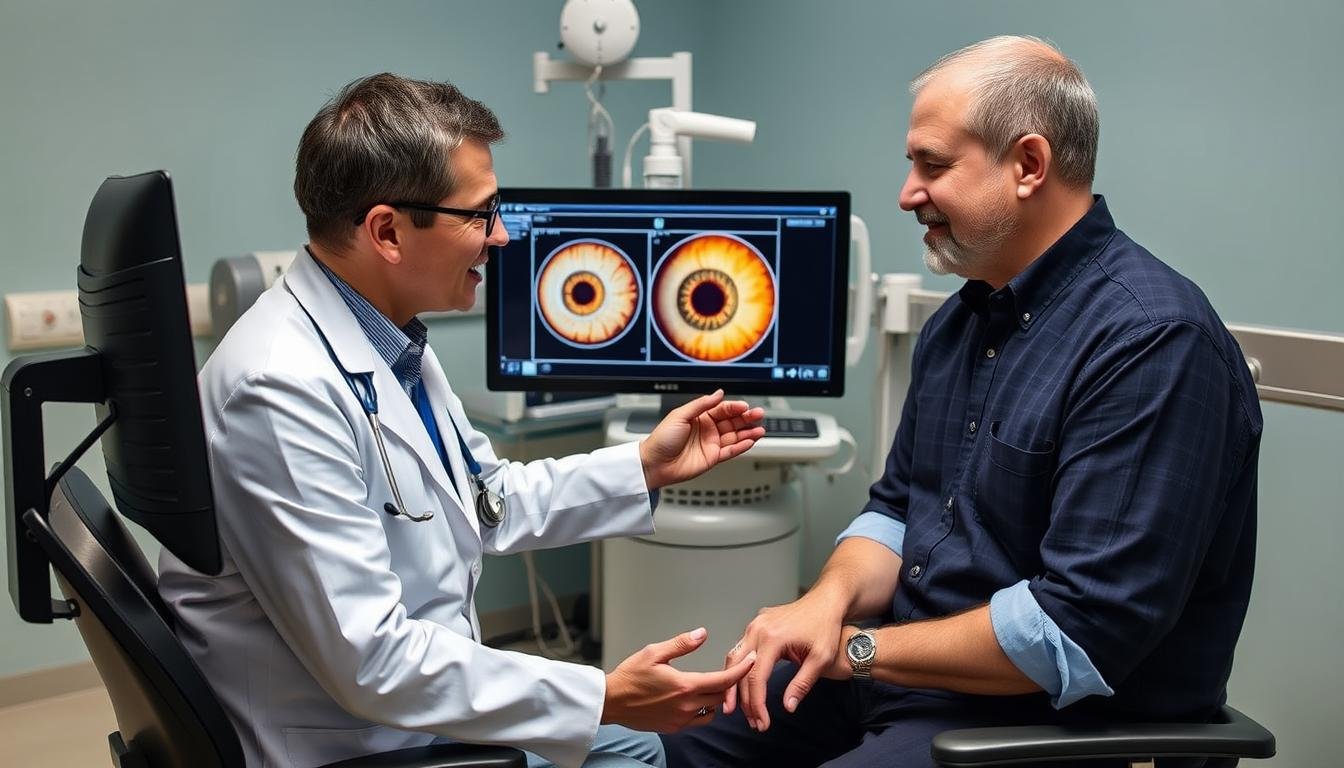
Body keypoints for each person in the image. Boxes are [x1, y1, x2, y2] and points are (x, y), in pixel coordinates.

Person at [662, 35, 1262, 768]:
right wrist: (824, 601)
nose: (907, 192)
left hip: (1046, 726)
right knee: (671, 746)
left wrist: (856, 647)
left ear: (1029, 166)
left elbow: (1076, 631)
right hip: (905, 683)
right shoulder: (960, 323)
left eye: (932, 164)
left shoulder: (1151, 341)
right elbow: (894, 510)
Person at [157, 73, 765, 768]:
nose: (501, 235)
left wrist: (643, 465)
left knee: (633, 750)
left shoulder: (389, 339)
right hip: (350, 744)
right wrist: (599, 692)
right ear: (387, 231)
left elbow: (484, 500)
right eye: (479, 214)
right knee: (632, 753)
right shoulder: (279, 390)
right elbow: (372, 661)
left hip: (404, 714)